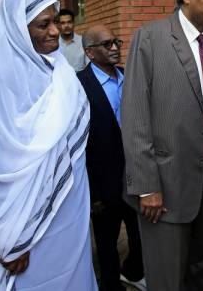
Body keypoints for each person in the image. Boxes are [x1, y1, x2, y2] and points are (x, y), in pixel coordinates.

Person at [0, 0, 97, 290]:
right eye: (43, 24)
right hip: (15, 218)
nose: (55, 31)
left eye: (56, 21)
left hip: (68, 204)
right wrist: (12, 238)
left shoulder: (61, 70)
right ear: (19, 29)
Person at [122, 0, 203, 291]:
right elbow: (135, 115)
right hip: (164, 189)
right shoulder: (151, 38)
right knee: (167, 279)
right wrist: (146, 185)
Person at [78, 25, 145, 291]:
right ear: (89, 52)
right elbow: (78, 144)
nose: (115, 47)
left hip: (135, 175)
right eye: (107, 44)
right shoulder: (78, 84)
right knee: (106, 241)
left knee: (139, 233)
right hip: (102, 183)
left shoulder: (128, 76)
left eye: (116, 42)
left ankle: (133, 271)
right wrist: (91, 192)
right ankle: (110, 284)